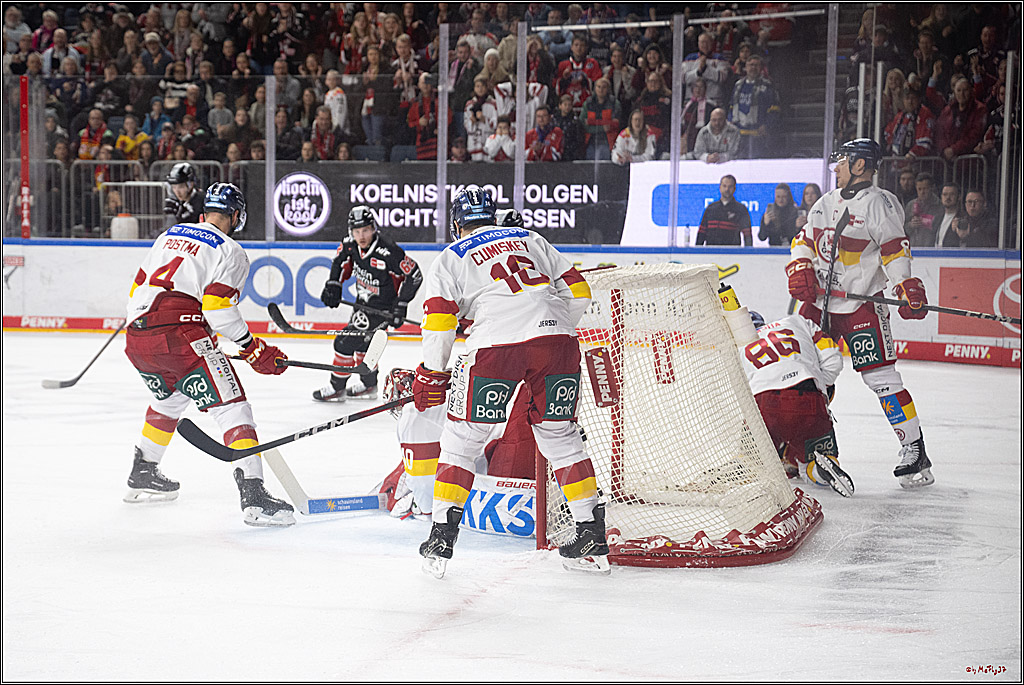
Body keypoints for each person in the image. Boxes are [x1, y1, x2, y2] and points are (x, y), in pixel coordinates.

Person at [413, 185, 608, 577]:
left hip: (495, 350)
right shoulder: (530, 238)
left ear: (456, 224)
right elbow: (581, 291)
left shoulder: (451, 256)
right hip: (558, 342)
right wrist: (548, 328)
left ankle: (441, 537)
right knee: (561, 437)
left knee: (462, 440)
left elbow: (439, 322)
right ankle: (591, 534)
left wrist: (433, 372)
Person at [123, 182, 295, 527]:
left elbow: (137, 285)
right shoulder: (231, 250)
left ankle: (143, 470)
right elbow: (217, 307)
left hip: (137, 335)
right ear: (236, 216)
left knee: (169, 399)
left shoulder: (169, 235)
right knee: (233, 406)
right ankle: (255, 495)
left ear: (203, 214)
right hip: (178, 332)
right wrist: (252, 347)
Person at [787, 138, 933, 489]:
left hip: (861, 303)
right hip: (818, 301)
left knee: (881, 379)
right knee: (800, 373)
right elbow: (804, 239)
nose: (835, 168)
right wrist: (800, 265)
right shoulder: (825, 202)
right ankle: (800, 448)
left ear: (860, 165)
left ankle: (914, 450)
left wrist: (904, 284)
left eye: (842, 162)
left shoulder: (880, 203)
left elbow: (894, 249)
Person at [315, 206, 423, 402]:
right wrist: (333, 285)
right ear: (351, 232)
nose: (361, 235)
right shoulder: (349, 244)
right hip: (362, 306)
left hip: (383, 311)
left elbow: (414, 275)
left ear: (373, 228)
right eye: (357, 231)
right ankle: (369, 385)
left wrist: (401, 305)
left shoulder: (389, 250)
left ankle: (337, 387)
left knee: (343, 342)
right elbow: (338, 262)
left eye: (365, 230)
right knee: (363, 348)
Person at [740, 310, 851, 496]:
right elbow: (833, 361)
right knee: (812, 460)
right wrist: (819, 388)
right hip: (808, 396)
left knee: (754, 463)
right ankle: (819, 468)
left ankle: (755, 473)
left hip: (766, 403)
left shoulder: (738, 347)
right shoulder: (798, 322)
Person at [696, 175, 752, 246]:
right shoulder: (710, 209)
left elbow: (747, 235)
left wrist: (748, 254)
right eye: (724, 186)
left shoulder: (741, 209)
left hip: (732, 253)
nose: (727, 189)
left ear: (734, 189)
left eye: (730, 186)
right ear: (720, 187)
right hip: (711, 253)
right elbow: (702, 233)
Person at [903, 172, 943, 247]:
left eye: (925, 189)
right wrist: (911, 225)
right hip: (913, 247)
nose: (922, 192)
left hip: (932, 248)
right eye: (919, 189)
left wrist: (924, 221)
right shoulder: (911, 205)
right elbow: (904, 228)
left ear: (932, 188)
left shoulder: (939, 205)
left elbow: (939, 227)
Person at [935, 182, 961, 247]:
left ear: (959, 197)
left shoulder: (962, 218)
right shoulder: (937, 217)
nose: (948, 197)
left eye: (952, 194)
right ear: (941, 197)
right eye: (945, 194)